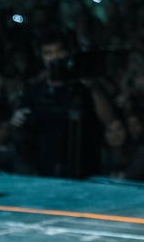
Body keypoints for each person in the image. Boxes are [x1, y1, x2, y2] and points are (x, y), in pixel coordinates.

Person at [10, 30, 107, 178]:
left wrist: (92, 87)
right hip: (46, 171)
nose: (54, 57)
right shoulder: (33, 91)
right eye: (48, 53)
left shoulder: (83, 87)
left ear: (67, 53)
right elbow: (22, 127)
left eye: (59, 51)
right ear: (42, 58)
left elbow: (109, 122)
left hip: (85, 169)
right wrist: (17, 119)